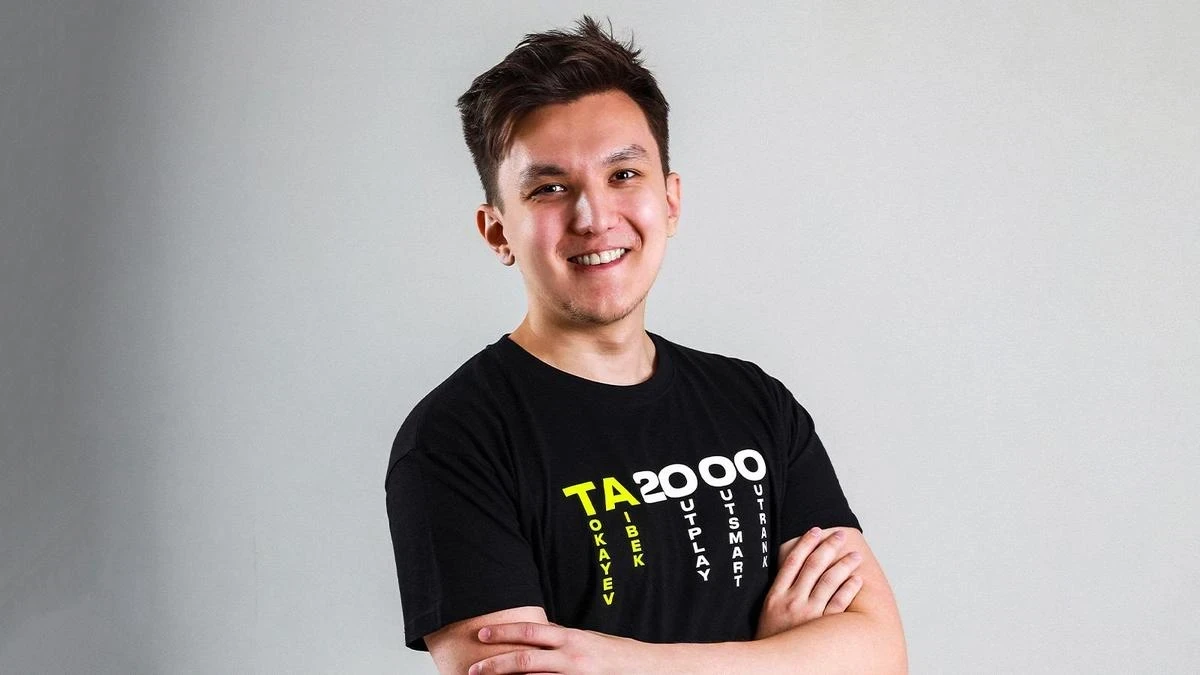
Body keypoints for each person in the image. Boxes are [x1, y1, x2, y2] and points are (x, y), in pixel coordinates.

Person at [385, 16, 906, 674]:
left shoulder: (754, 404)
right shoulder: (457, 440)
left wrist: (620, 661)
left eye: (624, 174)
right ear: (498, 232)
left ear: (671, 200)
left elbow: (880, 656)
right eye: (549, 189)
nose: (593, 216)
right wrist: (779, 659)